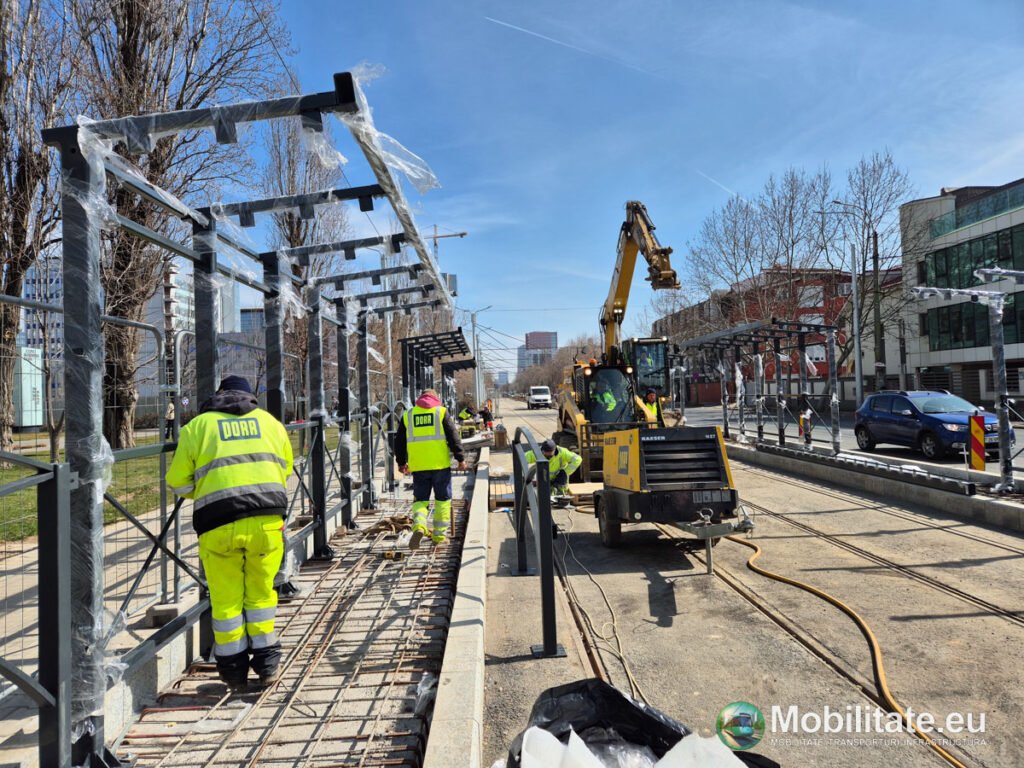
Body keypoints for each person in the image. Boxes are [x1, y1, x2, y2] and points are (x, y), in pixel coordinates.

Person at [166, 375, 292, 691]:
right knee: (262, 594)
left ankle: (234, 673)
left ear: (219, 395)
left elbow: (178, 483)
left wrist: (212, 490)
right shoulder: (271, 423)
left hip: (217, 523)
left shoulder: (197, 427)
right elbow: (285, 469)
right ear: (251, 396)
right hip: (266, 522)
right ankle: (267, 666)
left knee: (226, 602)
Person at [395, 388, 467, 549]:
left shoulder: (408, 415)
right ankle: (439, 537)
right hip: (440, 466)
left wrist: (401, 462)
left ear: (420, 398)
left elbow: (399, 442)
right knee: (442, 500)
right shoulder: (441, 412)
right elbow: (453, 437)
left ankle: (419, 526)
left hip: (419, 467)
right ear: (436, 398)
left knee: (420, 500)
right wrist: (460, 458)